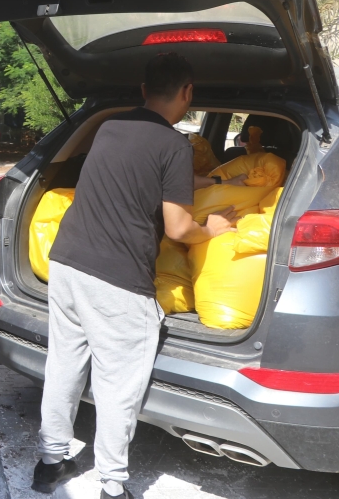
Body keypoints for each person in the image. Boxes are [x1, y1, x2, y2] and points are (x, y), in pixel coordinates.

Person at [32, 53, 238, 498]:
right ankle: (111, 485)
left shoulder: (111, 128)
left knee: (64, 365)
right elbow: (179, 228)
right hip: (116, 281)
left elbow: (144, 175)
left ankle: (51, 464)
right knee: (117, 385)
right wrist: (214, 227)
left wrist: (206, 181)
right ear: (187, 94)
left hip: (67, 264)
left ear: (144, 91)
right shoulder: (173, 146)